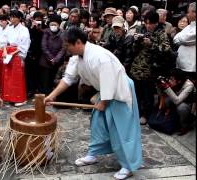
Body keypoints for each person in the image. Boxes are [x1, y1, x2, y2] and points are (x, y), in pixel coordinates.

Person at [44, 27, 142, 180]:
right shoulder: (77, 57)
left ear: (78, 42)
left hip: (119, 90)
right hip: (105, 92)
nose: (65, 48)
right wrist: (52, 96)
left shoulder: (99, 56)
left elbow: (110, 81)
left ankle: (128, 166)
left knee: (121, 129)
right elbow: (68, 78)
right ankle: (93, 154)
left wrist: (103, 103)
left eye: (67, 45)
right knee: (97, 123)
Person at [130, 10, 171, 125]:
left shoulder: (161, 33)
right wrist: (136, 41)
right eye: (146, 23)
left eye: (150, 23)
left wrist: (151, 44)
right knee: (136, 94)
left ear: (156, 23)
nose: (148, 25)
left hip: (150, 70)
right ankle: (136, 113)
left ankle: (145, 115)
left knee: (148, 95)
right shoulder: (141, 30)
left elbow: (166, 51)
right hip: (137, 69)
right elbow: (134, 50)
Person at [0, 10, 31, 107]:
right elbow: (3, 40)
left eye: (14, 17)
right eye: (11, 17)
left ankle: (20, 98)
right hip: (8, 53)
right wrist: (4, 50)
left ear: (19, 18)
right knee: (8, 76)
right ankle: (9, 97)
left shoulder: (24, 29)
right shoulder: (9, 28)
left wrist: (13, 53)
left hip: (17, 54)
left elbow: (25, 44)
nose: (12, 19)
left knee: (17, 77)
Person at [153, 69, 195, 135]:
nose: (169, 80)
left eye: (172, 79)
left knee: (182, 107)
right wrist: (158, 87)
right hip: (174, 99)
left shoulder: (189, 85)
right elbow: (161, 96)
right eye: (169, 78)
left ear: (179, 81)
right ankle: (168, 117)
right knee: (166, 100)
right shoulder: (171, 81)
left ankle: (184, 126)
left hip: (185, 104)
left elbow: (177, 101)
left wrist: (167, 87)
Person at [39, 15, 65, 94]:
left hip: (57, 61)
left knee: (54, 79)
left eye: (55, 24)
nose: (53, 26)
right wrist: (51, 58)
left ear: (59, 25)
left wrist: (56, 59)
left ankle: (53, 95)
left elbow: (63, 48)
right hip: (46, 61)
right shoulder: (46, 32)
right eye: (51, 24)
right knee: (45, 80)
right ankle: (45, 96)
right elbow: (44, 46)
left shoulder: (63, 33)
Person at [173, 2, 196, 77]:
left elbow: (184, 39)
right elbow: (175, 39)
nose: (187, 15)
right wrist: (181, 39)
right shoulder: (190, 26)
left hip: (190, 67)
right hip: (181, 64)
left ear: (195, 13)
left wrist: (181, 38)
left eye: (188, 12)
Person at [26, 12, 45, 97]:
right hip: (30, 52)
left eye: (40, 20)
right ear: (33, 20)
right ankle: (31, 89)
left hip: (41, 53)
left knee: (39, 72)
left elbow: (45, 36)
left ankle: (39, 88)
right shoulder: (29, 27)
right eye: (37, 20)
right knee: (29, 72)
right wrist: (32, 27)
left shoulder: (45, 27)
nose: (38, 22)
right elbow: (27, 37)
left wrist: (40, 29)